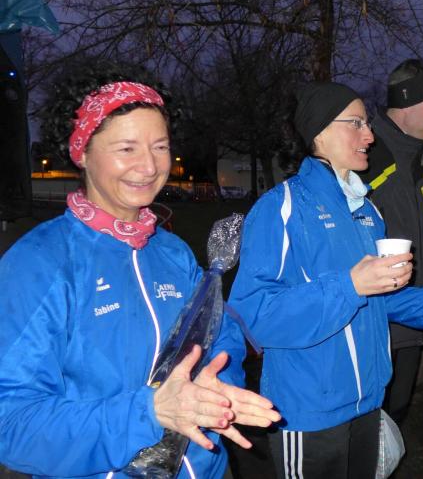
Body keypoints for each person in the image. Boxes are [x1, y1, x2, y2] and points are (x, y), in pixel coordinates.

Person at [0, 67, 280, 479]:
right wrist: (150, 412)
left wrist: (215, 388)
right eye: (127, 148)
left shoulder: (171, 251)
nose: (149, 166)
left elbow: (219, 335)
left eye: (160, 146)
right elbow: (12, 423)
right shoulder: (39, 262)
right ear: (82, 153)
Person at [227, 81, 423, 478]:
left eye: (367, 124)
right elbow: (255, 314)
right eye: (356, 123)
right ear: (318, 132)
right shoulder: (280, 208)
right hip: (310, 409)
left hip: (367, 401)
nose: (369, 135)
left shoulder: (367, 210)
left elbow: (378, 299)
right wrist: (349, 285)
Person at [358, 58, 423, 426]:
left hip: (413, 311)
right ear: (407, 103)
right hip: (375, 317)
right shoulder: (367, 156)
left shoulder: (416, 158)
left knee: (395, 415)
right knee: (369, 421)